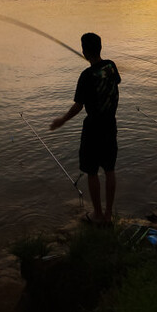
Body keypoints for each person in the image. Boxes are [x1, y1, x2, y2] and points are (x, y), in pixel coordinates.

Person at [50, 32, 121, 226]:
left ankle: (98, 214)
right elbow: (115, 82)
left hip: (93, 129)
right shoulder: (111, 66)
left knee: (91, 172)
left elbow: (79, 106)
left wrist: (62, 120)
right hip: (110, 125)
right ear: (100, 48)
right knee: (109, 169)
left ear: (84, 51)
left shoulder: (86, 76)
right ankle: (108, 215)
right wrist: (96, 62)